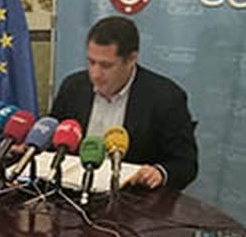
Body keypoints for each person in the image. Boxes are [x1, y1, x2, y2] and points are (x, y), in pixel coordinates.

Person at [46, 15, 198, 190]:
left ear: (131, 59)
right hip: (70, 195)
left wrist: (160, 172)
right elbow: (55, 141)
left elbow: (185, 164)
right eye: (91, 62)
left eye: (106, 65)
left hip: (131, 202)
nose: (95, 74)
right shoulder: (73, 87)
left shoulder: (166, 97)